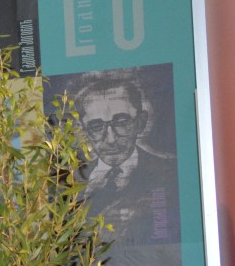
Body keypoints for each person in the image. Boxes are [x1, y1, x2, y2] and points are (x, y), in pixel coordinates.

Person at [67, 72, 176, 244]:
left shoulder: (171, 173)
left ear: (140, 122)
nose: (110, 139)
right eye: (96, 126)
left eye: (121, 122)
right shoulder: (66, 182)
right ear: (84, 131)